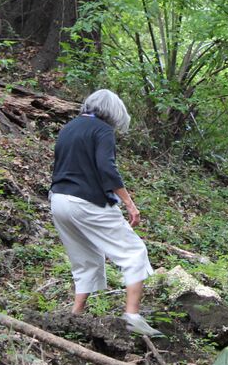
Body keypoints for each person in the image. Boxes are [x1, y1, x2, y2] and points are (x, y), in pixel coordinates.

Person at [48, 90, 160, 336]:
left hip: (58, 200)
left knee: (86, 258)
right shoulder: (102, 130)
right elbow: (106, 168)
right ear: (114, 113)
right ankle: (132, 315)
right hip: (86, 201)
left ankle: (74, 316)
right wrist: (129, 203)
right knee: (133, 252)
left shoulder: (68, 128)